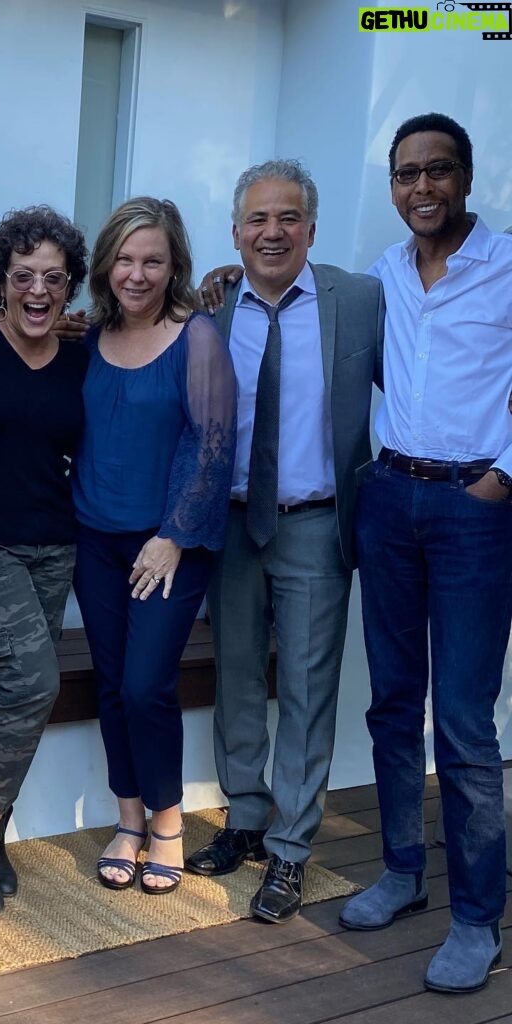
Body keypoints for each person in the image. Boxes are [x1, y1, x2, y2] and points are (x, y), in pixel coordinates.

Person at [184, 160, 385, 926]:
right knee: (236, 674)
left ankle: (293, 850)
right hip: (230, 524)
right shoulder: (210, 307)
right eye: (257, 220)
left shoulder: (360, 301)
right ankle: (245, 817)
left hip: (315, 523)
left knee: (306, 690)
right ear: (235, 232)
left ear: (311, 227)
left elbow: (424, 377)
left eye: (288, 218)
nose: (273, 232)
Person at [337, 113, 512, 994]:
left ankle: (478, 917)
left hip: (476, 510)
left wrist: (501, 480)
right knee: (394, 701)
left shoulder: (509, 265)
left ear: (467, 177)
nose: (422, 188)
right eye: (407, 175)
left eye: (438, 171)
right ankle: (403, 870)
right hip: (391, 501)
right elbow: (330, 329)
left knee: (467, 723)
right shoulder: (383, 277)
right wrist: (227, 279)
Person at [72, 197, 236, 895]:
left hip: (169, 546)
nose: (136, 274)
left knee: (146, 686)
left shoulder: (196, 335)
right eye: (125, 259)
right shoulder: (89, 338)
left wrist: (171, 536)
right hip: (94, 540)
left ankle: (168, 823)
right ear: (106, 264)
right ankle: (129, 819)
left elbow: (215, 445)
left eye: (153, 261)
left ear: (175, 269)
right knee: (112, 686)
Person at [0, 207, 89, 912]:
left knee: (7, 686)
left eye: (53, 279)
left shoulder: (81, 355)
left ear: (69, 289)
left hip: (54, 544)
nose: (38, 290)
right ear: (1, 279)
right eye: (23, 275)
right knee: (33, 679)